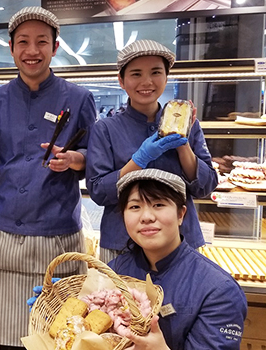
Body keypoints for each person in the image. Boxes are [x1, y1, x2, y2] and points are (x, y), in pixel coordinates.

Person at [0, 6, 97, 350]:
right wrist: (20, 182)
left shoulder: (78, 98)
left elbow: (95, 156)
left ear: (55, 46)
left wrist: (73, 160)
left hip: (57, 232)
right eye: (24, 43)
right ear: (12, 48)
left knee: (59, 340)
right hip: (7, 234)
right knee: (11, 342)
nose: (33, 50)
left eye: (41, 42)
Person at [86, 39, 218, 264]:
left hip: (181, 240)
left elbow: (206, 186)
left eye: (156, 72)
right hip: (123, 242)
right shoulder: (105, 129)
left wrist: (183, 144)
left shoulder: (188, 123)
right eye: (136, 74)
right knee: (122, 299)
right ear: (121, 80)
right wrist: (139, 160)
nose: (146, 82)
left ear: (166, 77)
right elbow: (98, 191)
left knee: (182, 299)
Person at [105, 168, 246, 350]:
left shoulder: (218, 290)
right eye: (135, 207)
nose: (146, 216)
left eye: (158, 204)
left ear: (181, 213)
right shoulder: (113, 272)